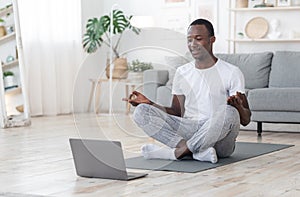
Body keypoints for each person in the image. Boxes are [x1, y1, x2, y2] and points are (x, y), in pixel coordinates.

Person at [123, 18, 251, 163]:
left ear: (212, 40)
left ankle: (176, 153)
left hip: (219, 139)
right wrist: (149, 103)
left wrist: (239, 107)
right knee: (141, 111)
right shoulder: (182, 72)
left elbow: (246, 120)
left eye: (198, 39)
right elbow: (177, 112)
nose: (193, 44)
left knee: (230, 112)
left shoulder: (232, 72)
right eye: (189, 40)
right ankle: (196, 152)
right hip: (189, 129)